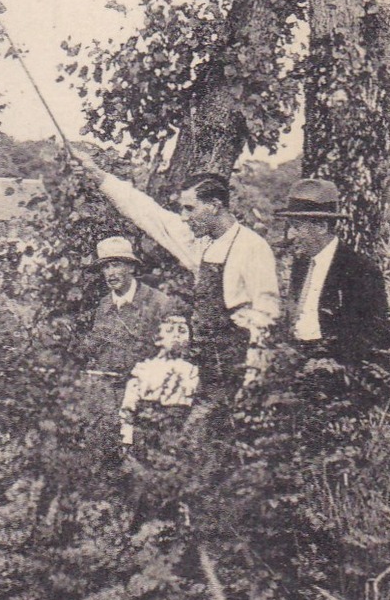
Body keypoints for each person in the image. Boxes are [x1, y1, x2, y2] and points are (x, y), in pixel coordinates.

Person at [74, 153, 280, 397]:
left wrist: (253, 380)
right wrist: (98, 175)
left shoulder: (252, 247)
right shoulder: (198, 242)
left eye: (190, 208)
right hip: (204, 365)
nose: (184, 216)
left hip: (238, 370)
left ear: (214, 206)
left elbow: (266, 317)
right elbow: (148, 213)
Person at [277, 177, 390, 406]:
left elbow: (380, 333)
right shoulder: (301, 265)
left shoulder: (359, 269)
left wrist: (329, 362)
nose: (290, 235)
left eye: (296, 227)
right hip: (299, 371)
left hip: (340, 381)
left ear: (321, 227)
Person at [83, 236, 184, 378]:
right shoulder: (104, 305)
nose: (110, 273)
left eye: (116, 265)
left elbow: (174, 354)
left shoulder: (159, 302)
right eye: (106, 267)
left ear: (131, 267)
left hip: (146, 386)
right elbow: (97, 350)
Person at [120, 314, 200, 449]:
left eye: (182, 331)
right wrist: (126, 439)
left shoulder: (191, 371)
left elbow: (196, 408)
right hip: (145, 433)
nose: (176, 336)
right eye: (170, 331)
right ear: (157, 338)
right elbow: (128, 408)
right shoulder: (144, 368)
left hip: (176, 436)